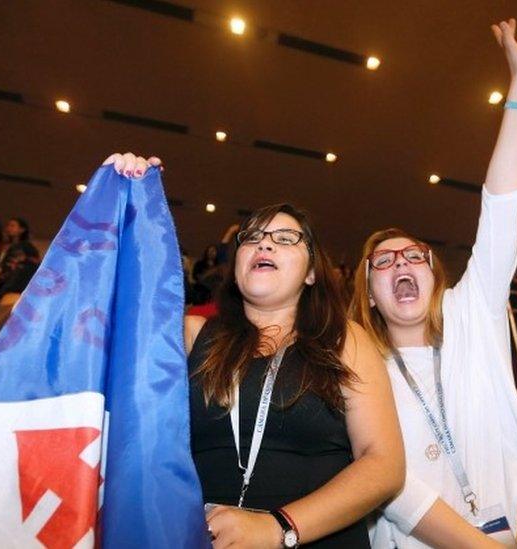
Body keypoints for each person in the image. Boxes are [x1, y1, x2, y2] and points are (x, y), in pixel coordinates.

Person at [104, 153, 405, 548]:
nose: (264, 242)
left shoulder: (344, 339)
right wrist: (127, 202)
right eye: (252, 237)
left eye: (284, 239)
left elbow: (383, 464)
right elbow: (110, 314)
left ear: (312, 272)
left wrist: (277, 527)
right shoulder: (191, 334)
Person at [351, 18, 517, 548]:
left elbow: (502, 205)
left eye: (415, 256)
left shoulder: (471, 316)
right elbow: (385, 482)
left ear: (436, 276)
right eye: (382, 262)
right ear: (367, 293)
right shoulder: (359, 363)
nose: (401, 264)